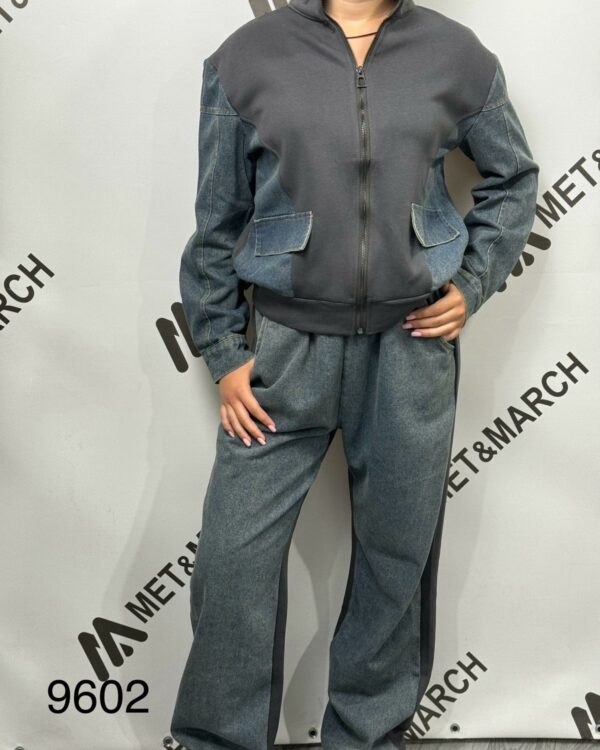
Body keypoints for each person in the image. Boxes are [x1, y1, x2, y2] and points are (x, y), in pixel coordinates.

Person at [170, 0, 539, 748]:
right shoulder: (247, 56)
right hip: (284, 352)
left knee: (394, 564)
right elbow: (217, 219)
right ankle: (217, 739)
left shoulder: (455, 53)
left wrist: (472, 282)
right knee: (233, 559)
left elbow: (514, 177)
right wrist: (224, 350)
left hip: (410, 348)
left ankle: (365, 738)